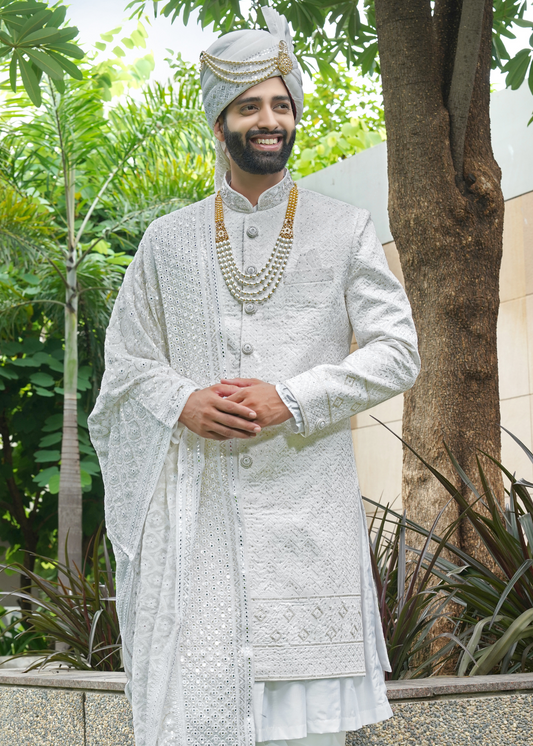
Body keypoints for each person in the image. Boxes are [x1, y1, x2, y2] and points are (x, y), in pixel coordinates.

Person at [88, 9, 420, 746]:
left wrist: (291, 397)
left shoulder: (344, 228)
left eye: (280, 104)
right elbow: (127, 361)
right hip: (197, 529)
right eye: (248, 107)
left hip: (306, 531)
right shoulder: (166, 241)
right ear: (219, 123)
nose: (268, 120)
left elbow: (398, 351)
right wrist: (182, 401)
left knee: (305, 732)